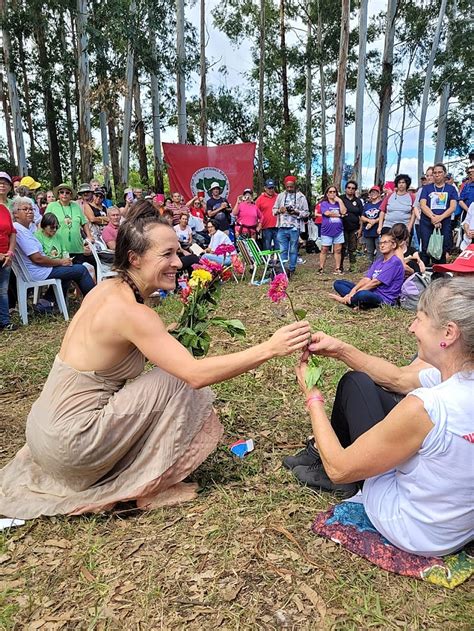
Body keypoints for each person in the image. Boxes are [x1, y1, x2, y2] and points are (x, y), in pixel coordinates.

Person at [0, 200, 310, 518]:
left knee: (171, 374)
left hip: (42, 436)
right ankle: (149, 487)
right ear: (134, 258)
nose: (178, 262)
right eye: (167, 255)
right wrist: (269, 348)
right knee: (180, 380)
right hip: (71, 445)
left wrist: (180, 327)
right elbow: (194, 374)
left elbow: (130, 343)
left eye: (177, 252)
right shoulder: (134, 313)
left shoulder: (106, 291)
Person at [287, 277, 474, 557]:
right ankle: (317, 453)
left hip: (413, 528)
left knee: (354, 387)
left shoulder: (428, 406)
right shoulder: (456, 383)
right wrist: (340, 349)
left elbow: (340, 468)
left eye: (419, 320)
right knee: (361, 384)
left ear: (448, 333)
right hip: (455, 526)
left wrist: (312, 396)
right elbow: (397, 378)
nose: (411, 328)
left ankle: (325, 461)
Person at [12, 199, 95, 303]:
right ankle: (95, 301)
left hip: (40, 269)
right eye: (25, 209)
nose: (30, 211)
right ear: (16, 214)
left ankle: (47, 302)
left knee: (70, 270)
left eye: (31, 209)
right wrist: (60, 262)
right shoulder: (19, 230)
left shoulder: (25, 230)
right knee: (81, 270)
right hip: (39, 271)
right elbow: (37, 259)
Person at [330, 234, 404, 309]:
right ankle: (356, 302)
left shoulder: (394, 262)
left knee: (362, 294)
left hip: (384, 298)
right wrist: (353, 290)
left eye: (385, 243)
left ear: (394, 245)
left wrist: (355, 293)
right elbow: (367, 279)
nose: (382, 245)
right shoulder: (379, 261)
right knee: (338, 283)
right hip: (372, 292)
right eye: (380, 243)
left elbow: (375, 283)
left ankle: (349, 301)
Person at [419, 163, 458, 265]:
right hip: (427, 222)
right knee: (426, 248)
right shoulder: (426, 188)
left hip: (444, 222)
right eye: (435, 173)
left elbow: (453, 207)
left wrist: (440, 218)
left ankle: (440, 275)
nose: (437, 175)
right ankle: (424, 273)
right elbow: (423, 205)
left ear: (444, 174)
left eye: (439, 172)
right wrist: (433, 217)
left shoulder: (451, 189)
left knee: (442, 249)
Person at [46, 183, 94, 265]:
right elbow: (44, 223)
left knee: (90, 265)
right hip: (60, 248)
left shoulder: (76, 206)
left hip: (77, 247)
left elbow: (84, 222)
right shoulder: (52, 206)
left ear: (71, 195)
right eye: (62, 192)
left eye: (67, 192)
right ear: (58, 194)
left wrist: (89, 236)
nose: (64, 194)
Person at [272, 175, 309, 279]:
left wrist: (296, 212)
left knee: (293, 249)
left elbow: (306, 213)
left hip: (295, 227)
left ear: (295, 185)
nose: (289, 189)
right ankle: (283, 270)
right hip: (282, 227)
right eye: (287, 187)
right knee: (282, 249)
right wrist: (280, 210)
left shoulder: (301, 197)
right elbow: (274, 210)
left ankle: (292, 269)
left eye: (291, 187)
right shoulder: (280, 196)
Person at [0, 172, 17, 332]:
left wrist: (10, 252)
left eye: (5, 182)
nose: (2, 185)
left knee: (3, 290)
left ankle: (4, 322)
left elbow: (12, 232)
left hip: (6, 256)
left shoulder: (6, 209)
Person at [318, 186, 346, 275]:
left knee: (338, 250)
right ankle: (321, 268)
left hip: (338, 230)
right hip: (326, 230)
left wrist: (340, 201)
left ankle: (337, 268)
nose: (332, 193)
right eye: (330, 192)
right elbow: (327, 213)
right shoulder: (324, 203)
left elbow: (344, 211)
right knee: (324, 249)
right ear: (327, 194)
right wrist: (340, 216)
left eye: (334, 192)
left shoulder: (339, 203)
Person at [340, 180, 364, 271]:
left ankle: (353, 267)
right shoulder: (341, 198)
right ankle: (340, 266)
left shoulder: (358, 201)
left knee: (352, 248)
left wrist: (360, 229)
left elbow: (361, 216)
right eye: (349, 188)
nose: (350, 190)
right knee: (342, 248)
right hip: (342, 228)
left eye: (353, 188)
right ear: (345, 189)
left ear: (355, 190)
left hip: (354, 228)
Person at [360, 185, 382, 262]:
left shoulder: (381, 204)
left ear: (379, 193)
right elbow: (362, 217)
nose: (373, 193)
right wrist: (369, 221)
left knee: (380, 252)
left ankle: (378, 268)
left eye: (375, 192)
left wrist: (374, 222)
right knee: (369, 252)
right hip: (368, 232)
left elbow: (384, 215)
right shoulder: (367, 205)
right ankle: (370, 268)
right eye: (372, 192)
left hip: (378, 231)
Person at [255, 179, 278, 252]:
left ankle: (278, 260)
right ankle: (267, 261)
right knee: (266, 246)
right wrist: (258, 224)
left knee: (278, 246)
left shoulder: (278, 197)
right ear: (265, 188)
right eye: (269, 188)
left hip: (277, 226)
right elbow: (255, 212)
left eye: (272, 188)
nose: (271, 190)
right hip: (266, 227)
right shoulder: (260, 199)